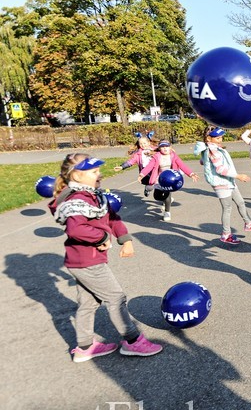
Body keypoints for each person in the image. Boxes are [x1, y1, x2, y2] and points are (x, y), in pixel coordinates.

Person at [49, 153, 162, 362]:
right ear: (77, 175)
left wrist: (124, 238)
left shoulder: (94, 195)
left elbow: (112, 217)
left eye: (98, 170)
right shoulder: (77, 200)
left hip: (82, 260)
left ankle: (84, 347)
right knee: (116, 298)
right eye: (93, 172)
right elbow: (76, 229)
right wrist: (101, 237)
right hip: (87, 260)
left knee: (88, 303)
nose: (99, 174)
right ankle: (132, 341)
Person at [194, 127, 251, 245]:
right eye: (217, 138)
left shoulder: (213, 148)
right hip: (221, 183)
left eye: (221, 137)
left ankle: (249, 223)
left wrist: (206, 160)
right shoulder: (213, 150)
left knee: (240, 202)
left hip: (228, 181)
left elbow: (202, 161)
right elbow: (220, 169)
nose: (220, 139)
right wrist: (238, 176)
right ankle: (226, 234)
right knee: (227, 208)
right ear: (209, 138)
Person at [138, 140, 199, 222]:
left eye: (166, 146)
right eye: (162, 147)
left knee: (167, 194)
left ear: (170, 147)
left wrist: (191, 174)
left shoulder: (174, 156)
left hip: (170, 179)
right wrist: (142, 174)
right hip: (160, 178)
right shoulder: (157, 156)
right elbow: (149, 167)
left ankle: (167, 212)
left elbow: (182, 165)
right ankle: (167, 201)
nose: (165, 149)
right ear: (159, 148)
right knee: (157, 197)